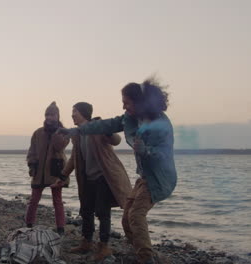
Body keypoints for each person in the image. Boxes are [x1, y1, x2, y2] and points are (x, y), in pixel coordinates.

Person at [57, 78, 177, 264]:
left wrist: (146, 151)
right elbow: (107, 124)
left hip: (159, 179)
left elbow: (164, 154)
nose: (123, 107)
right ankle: (144, 253)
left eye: (126, 103)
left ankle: (146, 258)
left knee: (136, 215)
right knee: (126, 220)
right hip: (144, 177)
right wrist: (77, 131)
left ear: (139, 103)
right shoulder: (130, 118)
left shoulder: (161, 126)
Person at [53, 102, 132, 261]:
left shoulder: (98, 126)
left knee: (103, 212)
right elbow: (74, 159)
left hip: (104, 176)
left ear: (83, 113)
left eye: (74, 111)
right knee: (86, 210)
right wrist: (62, 176)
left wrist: (109, 132)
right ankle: (87, 242)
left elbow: (116, 140)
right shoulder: (76, 134)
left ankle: (104, 246)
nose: (72, 114)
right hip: (87, 179)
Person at [25, 102, 69, 235]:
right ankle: (28, 224)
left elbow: (59, 147)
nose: (49, 117)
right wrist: (32, 165)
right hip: (39, 172)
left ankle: (60, 228)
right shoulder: (37, 133)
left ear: (58, 116)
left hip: (56, 171)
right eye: (47, 114)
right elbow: (32, 151)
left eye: (52, 115)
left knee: (57, 201)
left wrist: (56, 131)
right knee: (33, 200)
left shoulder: (64, 132)